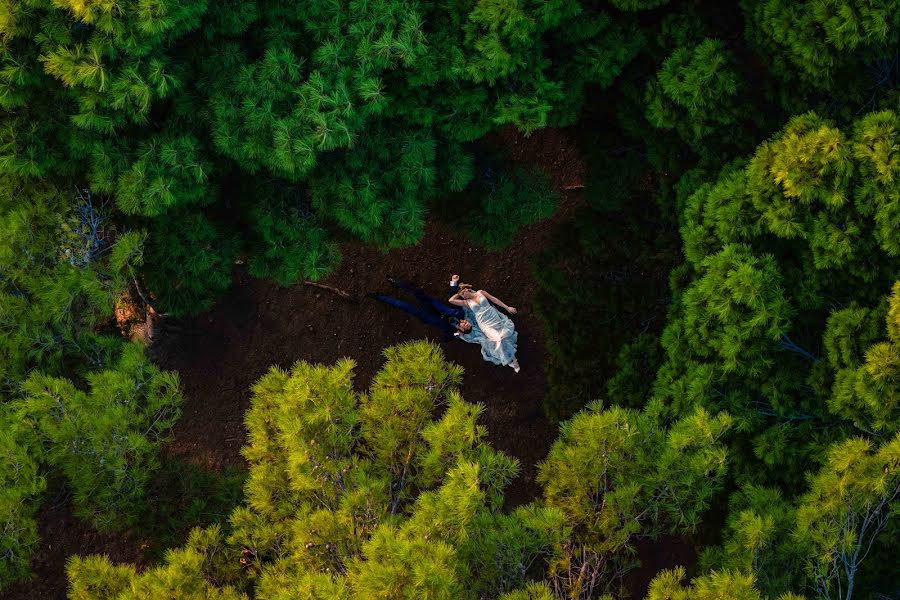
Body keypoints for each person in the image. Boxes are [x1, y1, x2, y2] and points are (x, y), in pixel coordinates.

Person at [368, 276, 477, 342]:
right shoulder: (460, 314)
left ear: (463, 329)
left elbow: (445, 340)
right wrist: (453, 283)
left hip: (425, 314)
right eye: (468, 322)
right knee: (416, 291)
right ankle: (395, 281)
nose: (466, 322)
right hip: (431, 304)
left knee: (401, 304)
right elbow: (454, 302)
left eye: (466, 325)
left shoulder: (452, 331)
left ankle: (377, 296)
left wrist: (458, 334)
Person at [449, 282, 520, 373]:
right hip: (484, 323)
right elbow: (451, 300)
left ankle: (509, 358)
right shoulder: (466, 302)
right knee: (498, 338)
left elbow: (494, 300)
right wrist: (459, 293)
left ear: (466, 289)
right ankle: (514, 360)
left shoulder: (480, 292)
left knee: (500, 339)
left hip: (493, 318)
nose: (464, 297)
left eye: (463, 294)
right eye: (462, 296)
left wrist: (507, 307)